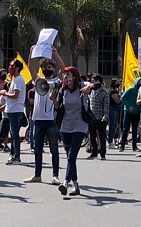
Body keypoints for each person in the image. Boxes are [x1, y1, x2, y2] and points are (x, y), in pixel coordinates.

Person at [23, 50, 65, 185]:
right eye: (45, 68)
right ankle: (37, 175)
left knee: (54, 149)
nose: (47, 69)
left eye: (49, 67)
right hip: (37, 120)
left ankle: (55, 175)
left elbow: (64, 70)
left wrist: (56, 55)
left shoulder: (57, 81)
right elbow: (30, 67)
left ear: (53, 68)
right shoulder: (38, 81)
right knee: (37, 150)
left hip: (50, 121)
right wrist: (31, 54)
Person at [57, 67, 91, 196]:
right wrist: (53, 99)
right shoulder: (63, 90)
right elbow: (58, 107)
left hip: (80, 125)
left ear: (75, 77)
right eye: (64, 75)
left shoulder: (81, 86)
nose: (66, 77)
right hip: (66, 127)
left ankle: (65, 182)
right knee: (70, 158)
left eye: (69, 74)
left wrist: (90, 86)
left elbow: (96, 84)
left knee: (72, 155)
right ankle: (76, 186)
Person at [0, 59, 26, 165]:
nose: (10, 67)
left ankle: (16, 156)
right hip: (11, 110)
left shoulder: (19, 80)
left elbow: (15, 95)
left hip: (15, 110)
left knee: (15, 134)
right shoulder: (15, 79)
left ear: (17, 68)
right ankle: (15, 155)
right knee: (13, 133)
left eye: (12, 66)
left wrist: (5, 93)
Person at [88, 74, 110, 160]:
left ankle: (103, 153)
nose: (92, 82)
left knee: (101, 136)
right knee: (92, 135)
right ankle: (94, 152)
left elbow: (106, 105)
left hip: (100, 117)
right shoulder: (91, 90)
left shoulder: (105, 91)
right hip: (91, 117)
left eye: (94, 80)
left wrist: (105, 116)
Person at [118, 77, 141, 152]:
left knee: (135, 130)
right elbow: (123, 97)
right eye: (139, 82)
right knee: (126, 129)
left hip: (137, 112)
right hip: (128, 112)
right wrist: (128, 106)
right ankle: (122, 145)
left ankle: (134, 146)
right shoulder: (130, 89)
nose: (140, 84)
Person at [107, 78, 122, 148]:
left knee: (114, 125)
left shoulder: (115, 91)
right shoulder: (112, 92)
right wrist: (121, 98)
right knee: (112, 126)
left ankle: (111, 141)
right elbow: (117, 101)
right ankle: (110, 142)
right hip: (112, 108)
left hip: (115, 108)